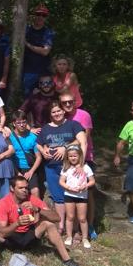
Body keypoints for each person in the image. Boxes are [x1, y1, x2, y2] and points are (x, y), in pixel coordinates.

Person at [0, 176, 90, 266]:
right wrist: (16, 224)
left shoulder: (32, 199)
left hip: (30, 237)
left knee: (49, 224)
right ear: (12, 189)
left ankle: (68, 261)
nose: (25, 190)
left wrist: (38, 209)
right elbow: (3, 232)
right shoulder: (4, 203)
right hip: (11, 239)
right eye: (21, 188)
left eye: (26, 187)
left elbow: (57, 218)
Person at [36, 100, 87, 233]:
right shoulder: (46, 128)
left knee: (74, 196)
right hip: (51, 167)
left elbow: (83, 141)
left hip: (70, 167)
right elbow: (38, 143)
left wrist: (68, 149)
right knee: (58, 198)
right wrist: (43, 151)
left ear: (64, 111)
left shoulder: (73, 125)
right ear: (50, 114)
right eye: (54, 112)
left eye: (59, 110)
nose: (57, 113)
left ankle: (75, 229)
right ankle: (61, 226)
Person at [61, 92, 97, 237]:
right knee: (72, 193)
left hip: (85, 158)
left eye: (70, 102)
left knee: (89, 194)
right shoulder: (61, 116)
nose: (68, 104)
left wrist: (81, 164)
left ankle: (91, 225)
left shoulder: (84, 115)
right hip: (68, 160)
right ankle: (75, 229)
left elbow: (85, 137)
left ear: (75, 102)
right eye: (64, 103)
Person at [59, 145, 95, 249]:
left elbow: (92, 181)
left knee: (82, 218)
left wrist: (85, 185)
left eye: (75, 156)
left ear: (80, 156)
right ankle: (69, 236)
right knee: (70, 217)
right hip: (69, 195)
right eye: (70, 156)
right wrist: (68, 188)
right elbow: (61, 181)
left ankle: (84, 238)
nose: (73, 158)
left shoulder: (85, 167)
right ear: (67, 157)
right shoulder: (66, 168)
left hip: (82, 196)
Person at [23, 4, 54, 97]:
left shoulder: (48, 32)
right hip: (27, 71)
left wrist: (27, 44)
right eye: (38, 14)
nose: (40, 17)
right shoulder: (26, 30)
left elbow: (45, 51)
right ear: (33, 15)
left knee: (44, 98)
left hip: (43, 72)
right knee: (28, 98)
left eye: (43, 15)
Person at [9, 110, 42, 198]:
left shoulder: (33, 137)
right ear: (13, 124)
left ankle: (36, 211)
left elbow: (38, 157)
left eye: (24, 122)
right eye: (18, 123)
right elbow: (10, 157)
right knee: (16, 192)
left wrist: (31, 171)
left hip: (30, 168)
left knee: (35, 190)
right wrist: (17, 172)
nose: (22, 125)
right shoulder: (10, 138)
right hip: (16, 168)